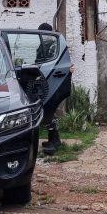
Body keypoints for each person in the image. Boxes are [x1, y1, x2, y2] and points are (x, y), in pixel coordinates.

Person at [37, 22, 62, 155]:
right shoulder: (48, 44)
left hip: (50, 81)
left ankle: (54, 141)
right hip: (47, 81)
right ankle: (54, 139)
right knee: (49, 110)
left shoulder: (51, 45)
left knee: (49, 110)